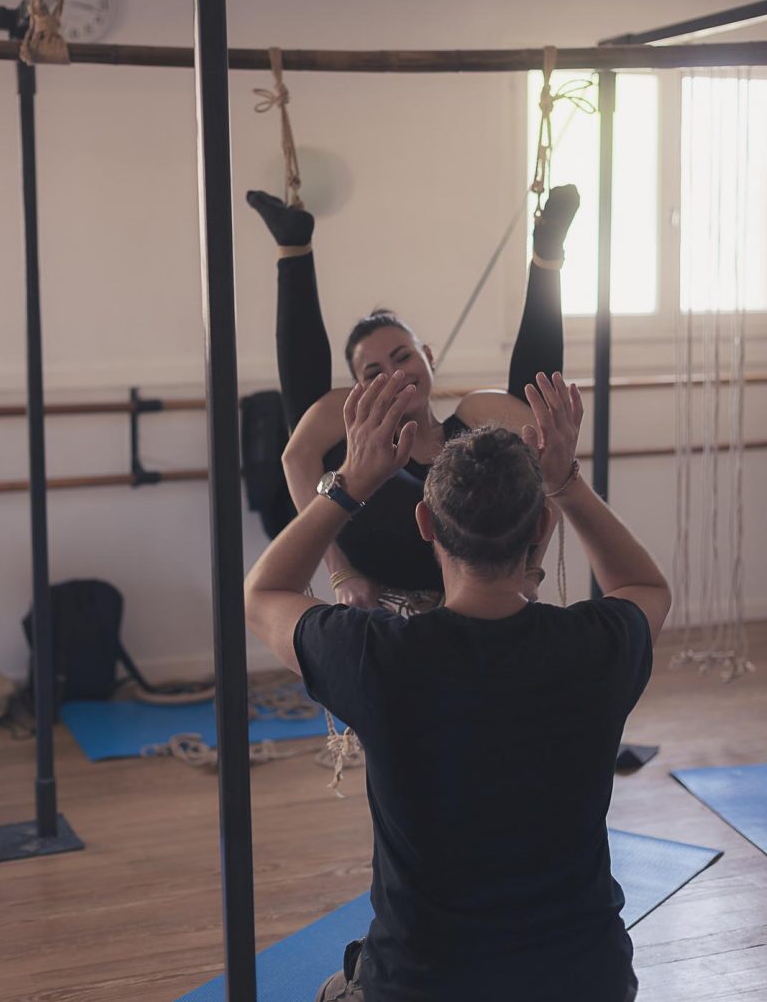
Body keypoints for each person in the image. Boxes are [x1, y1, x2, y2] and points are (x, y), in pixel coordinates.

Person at [244, 370, 671, 1002]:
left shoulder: (373, 655)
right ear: (541, 529)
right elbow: (648, 588)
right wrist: (567, 483)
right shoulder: (597, 646)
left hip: (423, 987)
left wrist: (350, 483)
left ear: (424, 523)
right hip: (586, 982)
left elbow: (264, 595)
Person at [247, 184, 580, 606]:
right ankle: (293, 248)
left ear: (427, 356)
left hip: (476, 590)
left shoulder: (474, 417)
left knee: (529, 413)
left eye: (403, 357)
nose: (394, 374)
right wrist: (340, 571)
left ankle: (547, 255)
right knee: (345, 436)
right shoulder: (356, 444)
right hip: (388, 597)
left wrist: (530, 570)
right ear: (360, 386)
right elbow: (296, 457)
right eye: (373, 372)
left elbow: (549, 455)